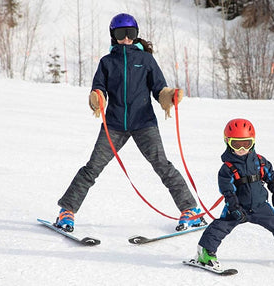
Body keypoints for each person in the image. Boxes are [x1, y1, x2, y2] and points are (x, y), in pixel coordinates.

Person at [55, 13, 206, 232]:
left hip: (144, 122)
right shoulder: (107, 62)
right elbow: (99, 88)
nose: (126, 38)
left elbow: (158, 89)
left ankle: (190, 210)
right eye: (121, 34)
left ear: (136, 35)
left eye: (130, 34)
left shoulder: (146, 60)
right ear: (113, 36)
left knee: (162, 165)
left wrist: (168, 96)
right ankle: (66, 211)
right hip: (115, 124)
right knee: (92, 168)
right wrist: (97, 97)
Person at [195, 118, 274, 270]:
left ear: (253, 142)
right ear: (227, 142)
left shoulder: (260, 161)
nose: (241, 149)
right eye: (236, 144)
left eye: (246, 144)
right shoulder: (227, 168)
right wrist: (234, 207)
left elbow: (271, 175)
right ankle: (205, 253)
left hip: (260, 205)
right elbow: (228, 190)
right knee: (219, 228)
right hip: (238, 207)